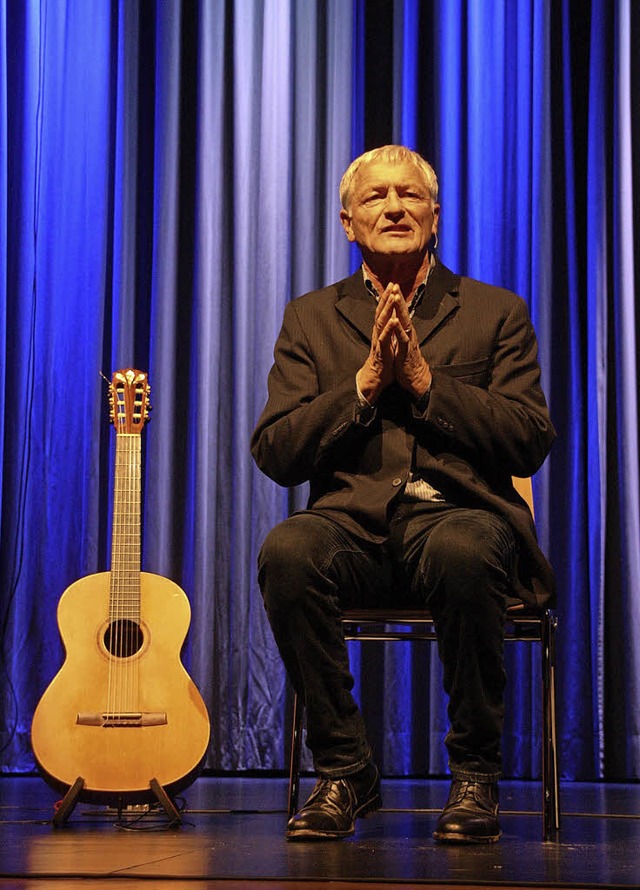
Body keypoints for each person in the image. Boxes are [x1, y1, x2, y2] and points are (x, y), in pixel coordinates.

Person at [251, 144, 555, 844]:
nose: (394, 206)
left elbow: (529, 437)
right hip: (351, 529)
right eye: (377, 197)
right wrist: (360, 387)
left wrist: (425, 385)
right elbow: (275, 449)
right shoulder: (310, 319)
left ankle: (476, 774)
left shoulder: (495, 312)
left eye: (410, 195)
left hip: (458, 518)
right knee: (288, 550)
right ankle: (344, 771)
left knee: (464, 546)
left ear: (436, 217)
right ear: (347, 223)